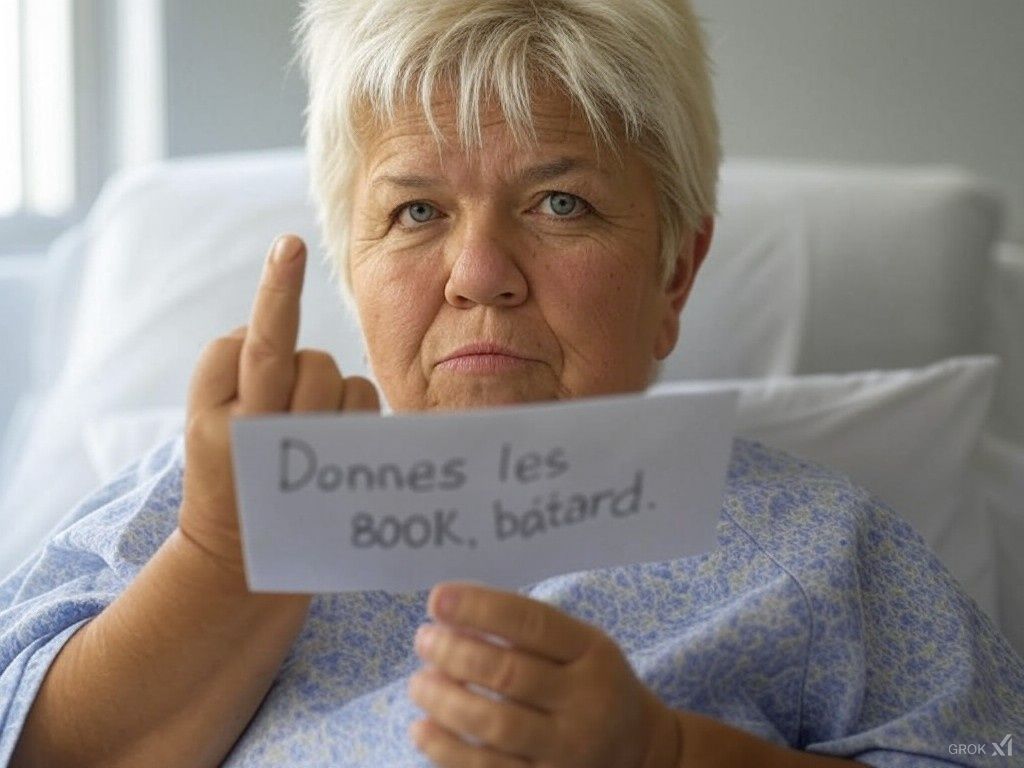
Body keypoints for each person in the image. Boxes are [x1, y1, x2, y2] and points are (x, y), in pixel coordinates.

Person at [2, 0, 1022, 766]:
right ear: (353, 269)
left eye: (561, 203)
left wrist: (665, 754)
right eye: (415, 213)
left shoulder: (823, 546)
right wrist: (223, 557)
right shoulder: (201, 497)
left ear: (674, 272)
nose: (480, 273)